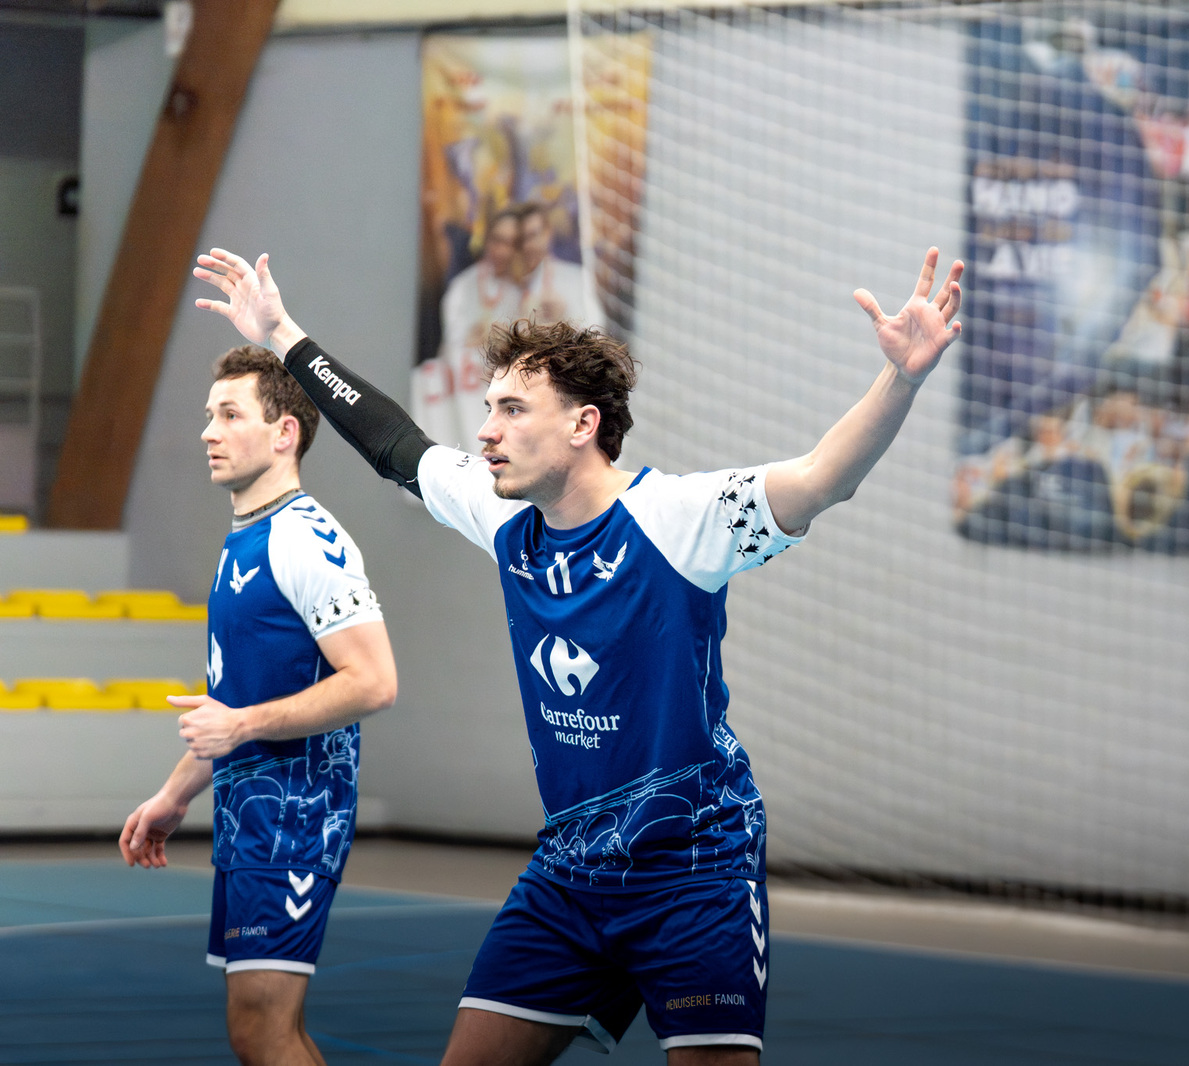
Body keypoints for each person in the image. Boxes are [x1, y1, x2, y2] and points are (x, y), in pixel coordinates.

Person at [192, 243, 961, 1064]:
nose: (486, 430)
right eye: (488, 408)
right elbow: (392, 441)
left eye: (513, 409)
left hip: (693, 866)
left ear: (583, 424)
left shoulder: (680, 519)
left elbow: (821, 478)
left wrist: (901, 378)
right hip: (572, 867)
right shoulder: (504, 517)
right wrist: (282, 332)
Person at [119, 345, 398, 1066]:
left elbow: (373, 682)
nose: (208, 431)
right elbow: (234, 704)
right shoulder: (248, 536)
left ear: (284, 433)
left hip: (296, 820)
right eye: (209, 415)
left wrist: (240, 723)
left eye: (230, 415)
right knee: (268, 1033)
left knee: (263, 1033)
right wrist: (174, 795)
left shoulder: (306, 540)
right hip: (250, 820)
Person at [434, 207, 526, 445]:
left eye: (511, 243)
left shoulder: (524, 291)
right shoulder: (462, 287)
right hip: (464, 397)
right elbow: (451, 344)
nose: (502, 251)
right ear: (486, 240)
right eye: (498, 240)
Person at [516, 202, 591, 328]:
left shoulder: (574, 278)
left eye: (533, 235)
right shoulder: (503, 283)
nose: (527, 246)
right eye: (520, 240)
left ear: (548, 232)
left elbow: (592, 327)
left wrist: (564, 315)